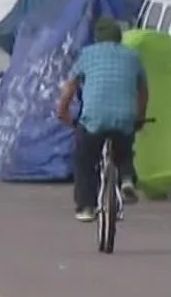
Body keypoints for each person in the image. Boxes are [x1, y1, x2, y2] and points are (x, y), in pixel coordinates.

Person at [55, 17, 147, 222]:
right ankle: (126, 180)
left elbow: (69, 87)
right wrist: (139, 117)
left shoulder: (87, 54)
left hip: (93, 118)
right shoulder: (132, 56)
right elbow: (143, 90)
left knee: (85, 160)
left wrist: (63, 113)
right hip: (124, 117)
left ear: (97, 37)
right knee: (124, 150)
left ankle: (86, 207)